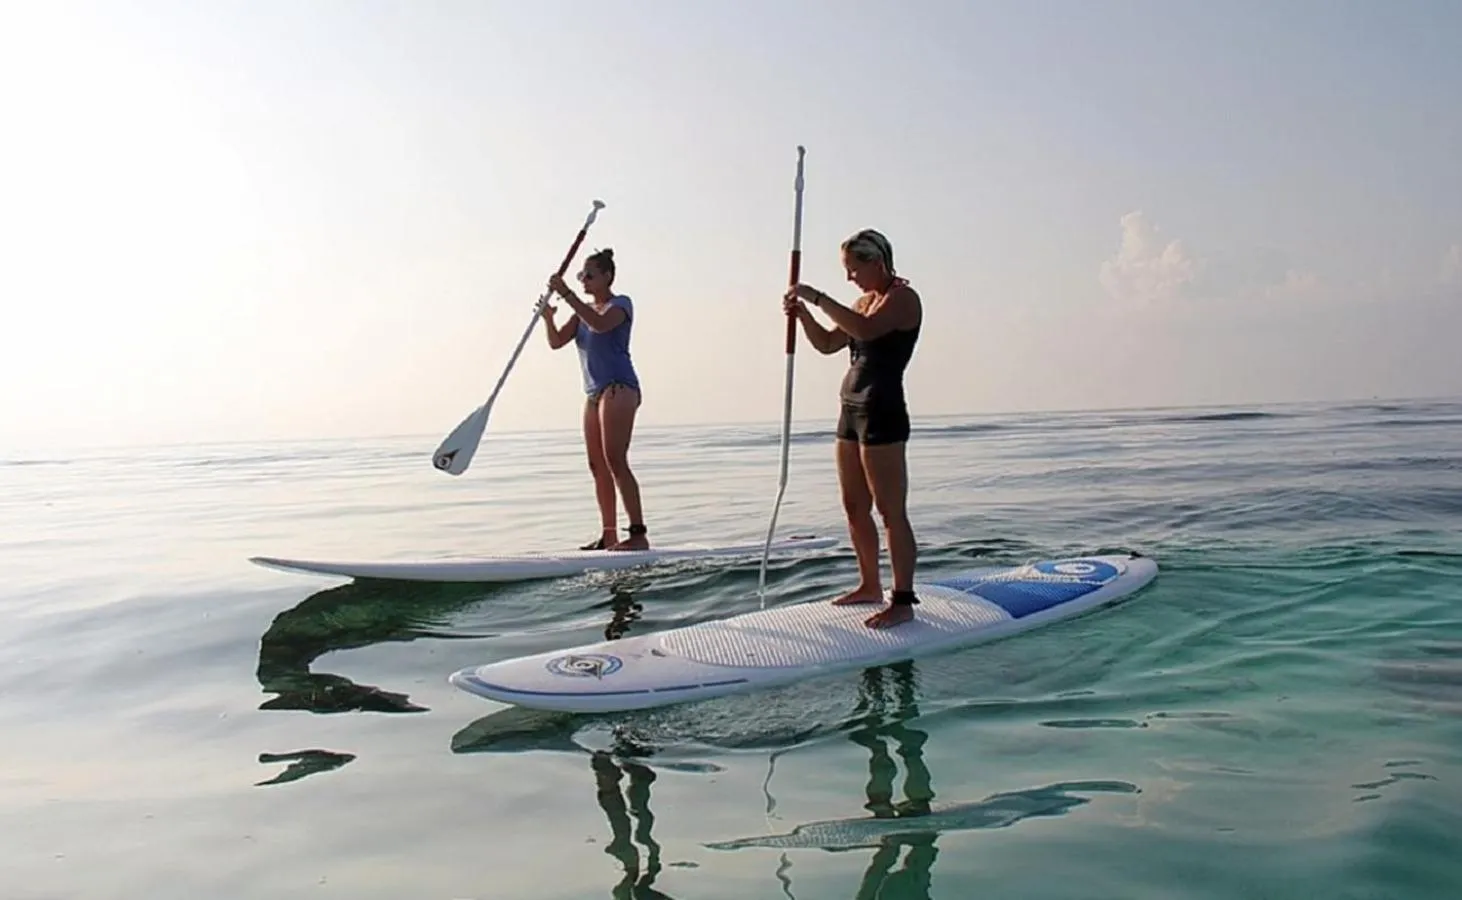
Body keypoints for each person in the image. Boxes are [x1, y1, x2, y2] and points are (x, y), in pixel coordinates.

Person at [783, 228, 922, 628]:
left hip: (883, 410)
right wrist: (803, 315)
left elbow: (864, 330)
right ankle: (868, 585)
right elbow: (828, 343)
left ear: (876, 262)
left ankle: (903, 599)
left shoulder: (903, 299)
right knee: (854, 507)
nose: (850, 279)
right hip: (849, 410)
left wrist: (817, 297)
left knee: (890, 512)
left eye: (853, 269)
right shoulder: (864, 301)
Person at [540, 248, 650, 552]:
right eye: (581, 276)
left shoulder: (621, 304)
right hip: (593, 394)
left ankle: (638, 535)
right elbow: (556, 342)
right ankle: (609, 534)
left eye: (589, 275)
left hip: (619, 388)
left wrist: (567, 292)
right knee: (596, 465)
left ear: (607, 277)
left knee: (616, 459)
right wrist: (548, 318)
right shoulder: (580, 313)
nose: (584, 280)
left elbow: (600, 325)